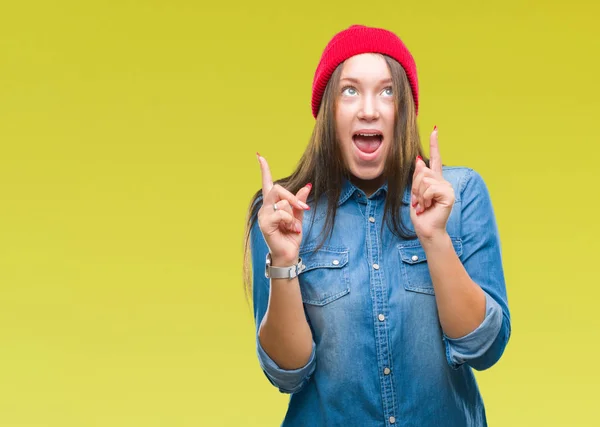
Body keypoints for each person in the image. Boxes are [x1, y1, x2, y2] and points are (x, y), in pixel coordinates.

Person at [242, 24, 511, 427]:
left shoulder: (461, 194)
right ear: (327, 110)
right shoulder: (285, 213)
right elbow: (287, 371)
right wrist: (283, 260)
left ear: (404, 110)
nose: (369, 109)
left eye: (387, 91)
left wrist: (435, 238)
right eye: (350, 90)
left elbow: (483, 347)